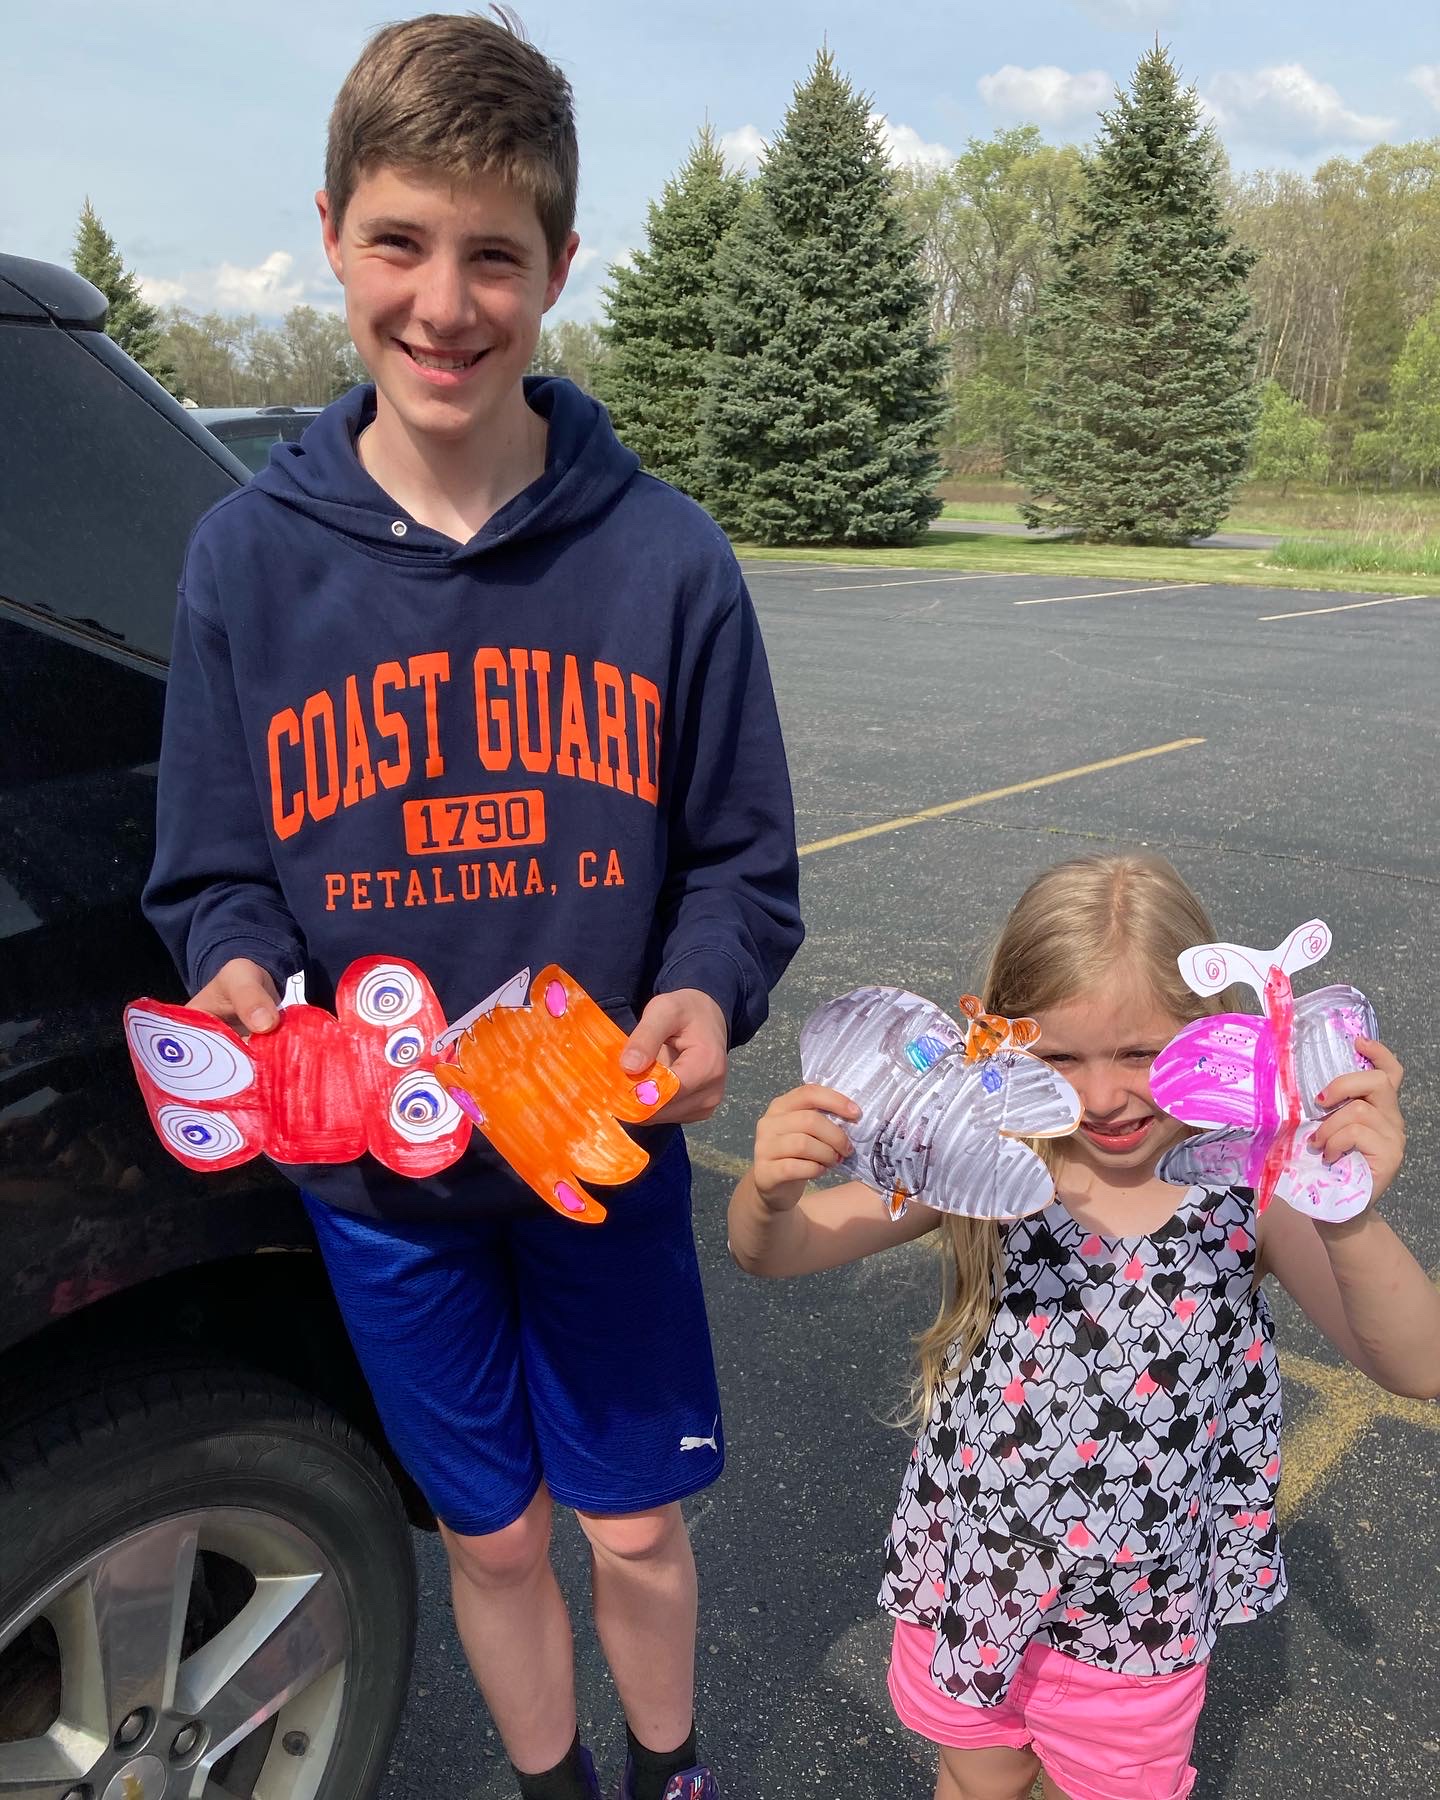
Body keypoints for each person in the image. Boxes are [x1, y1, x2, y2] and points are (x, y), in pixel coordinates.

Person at [143, 14, 803, 1799]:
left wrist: (703, 993)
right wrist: (240, 983)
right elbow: (212, 868)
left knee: (638, 1536)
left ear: (557, 267)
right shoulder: (246, 565)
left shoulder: (661, 559)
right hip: (379, 1181)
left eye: (493, 254)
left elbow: (742, 863)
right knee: (496, 1543)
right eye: (402, 243)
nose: (445, 302)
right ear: (334, 232)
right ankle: (554, 1786)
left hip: (597, 1147)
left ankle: (671, 1774)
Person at [728, 854, 1439, 1800]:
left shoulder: (1247, 1182)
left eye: (1143, 1053)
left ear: (1218, 1033)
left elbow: (1415, 1363)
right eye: (1059, 1057)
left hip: (1133, 1613)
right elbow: (775, 1252)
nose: (1103, 1098)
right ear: (999, 1034)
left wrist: (1344, 1203)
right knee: (978, 1776)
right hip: (979, 1572)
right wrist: (768, 1193)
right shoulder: (983, 1158)